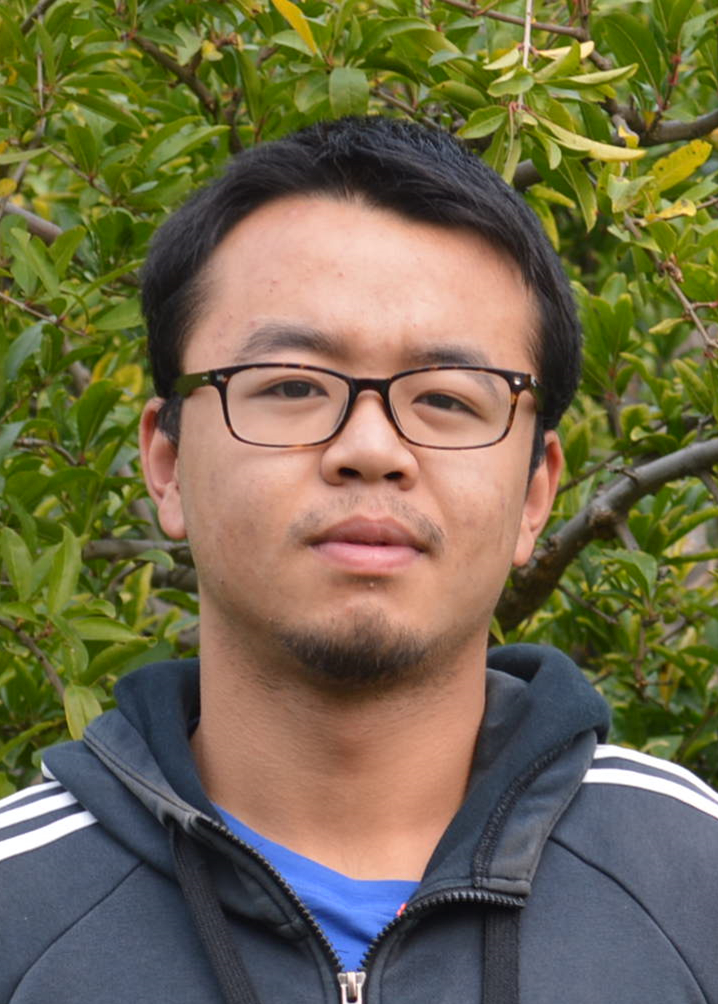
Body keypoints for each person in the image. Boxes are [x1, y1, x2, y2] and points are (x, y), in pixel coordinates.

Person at [2, 116, 717, 1004]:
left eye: (448, 399)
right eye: (292, 386)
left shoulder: (691, 884)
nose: (371, 449)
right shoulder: (18, 908)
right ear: (168, 463)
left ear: (536, 492)